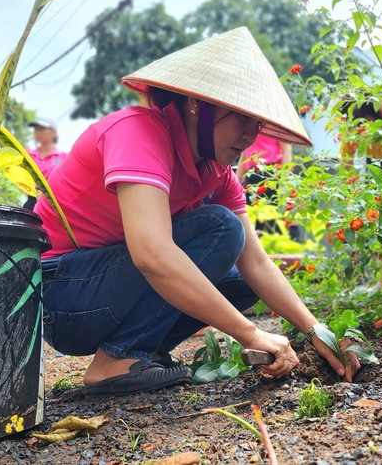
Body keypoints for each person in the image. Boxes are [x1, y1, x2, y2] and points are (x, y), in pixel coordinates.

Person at [34, 27, 361, 399]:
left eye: (257, 124)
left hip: (104, 289)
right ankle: (116, 361)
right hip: (63, 295)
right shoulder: (137, 133)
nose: (250, 135)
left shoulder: (215, 173)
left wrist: (316, 331)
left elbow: (257, 263)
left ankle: (143, 350)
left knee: (239, 280)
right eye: (240, 117)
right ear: (197, 103)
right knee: (221, 229)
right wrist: (251, 334)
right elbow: (152, 254)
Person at [24, 117, 66, 209]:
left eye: (42, 129)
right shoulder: (27, 155)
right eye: (36, 129)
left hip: (55, 205)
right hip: (31, 203)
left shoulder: (64, 157)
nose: (38, 132)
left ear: (53, 132)